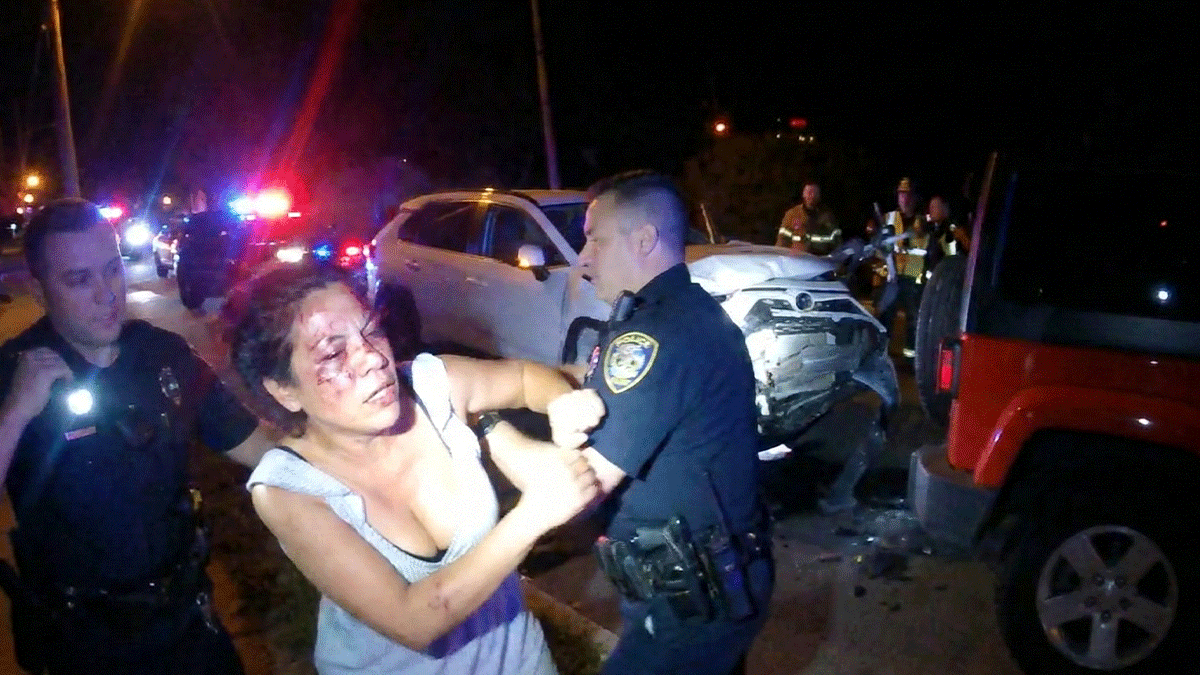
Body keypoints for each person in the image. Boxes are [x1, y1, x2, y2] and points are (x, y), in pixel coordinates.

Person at [228, 262, 599, 675]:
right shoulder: (287, 490)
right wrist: (535, 514)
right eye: (334, 352)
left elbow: (526, 378)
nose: (372, 357)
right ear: (283, 390)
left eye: (372, 331)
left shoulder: (432, 384)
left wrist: (561, 403)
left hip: (518, 660)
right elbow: (413, 620)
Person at [0, 198, 277, 674]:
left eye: (112, 270)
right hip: (83, 642)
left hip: (185, 618)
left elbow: (263, 449)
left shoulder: (163, 355)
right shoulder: (14, 370)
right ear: (40, 292)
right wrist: (16, 412)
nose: (107, 294)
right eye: (79, 279)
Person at [550, 170, 773, 675]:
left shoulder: (657, 334)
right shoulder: (677, 314)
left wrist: (493, 425)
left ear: (644, 240)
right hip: (705, 586)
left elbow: (581, 487)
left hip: (690, 605)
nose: (583, 257)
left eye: (595, 238)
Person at [877, 177, 926, 359]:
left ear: (914, 198)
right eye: (901, 194)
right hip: (892, 276)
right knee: (885, 315)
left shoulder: (923, 222)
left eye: (908, 194)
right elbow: (879, 248)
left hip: (913, 277)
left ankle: (910, 357)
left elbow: (929, 249)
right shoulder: (889, 218)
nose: (904, 198)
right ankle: (881, 354)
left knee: (914, 320)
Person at [775, 181, 841, 254]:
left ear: (819, 195)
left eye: (814, 193)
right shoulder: (792, 214)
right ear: (803, 194)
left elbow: (837, 244)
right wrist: (779, 256)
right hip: (797, 258)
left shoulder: (828, 217)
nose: (811, 196)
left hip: (819, 260)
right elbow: (782, 239)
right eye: (808, 192)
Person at [924, 194, 970, 273]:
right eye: (930, 207)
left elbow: (968, 248)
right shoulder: (931, 231)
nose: (930, 210)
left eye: (934, 207)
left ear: (944, 209)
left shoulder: (954, 229)